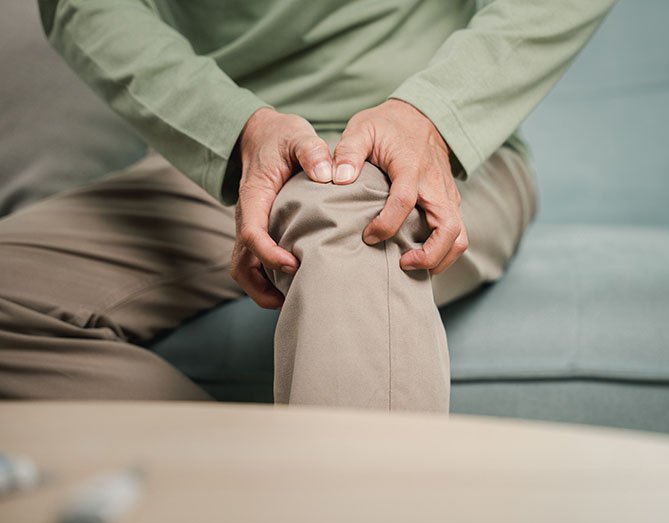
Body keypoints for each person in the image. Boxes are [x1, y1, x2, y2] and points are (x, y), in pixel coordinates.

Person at [0, 0, 615, 412]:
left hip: (426, 153)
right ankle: (231, 501)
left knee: (359, 228)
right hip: (219, 154)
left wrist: (432, 115)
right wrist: (234, 130)